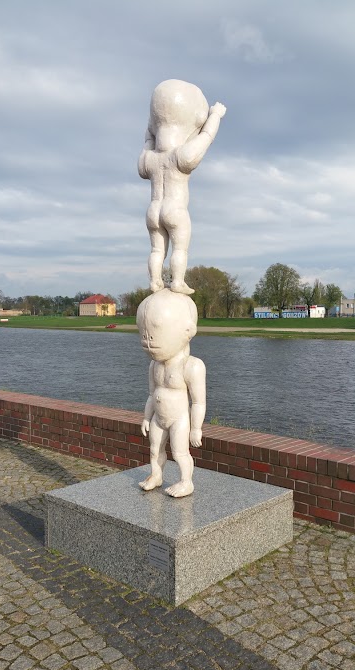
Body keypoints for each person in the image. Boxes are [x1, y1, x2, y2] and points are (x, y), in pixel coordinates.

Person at [138, 79, 226, 295]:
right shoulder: (181, 155)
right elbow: (206, 136)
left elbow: (147, 143)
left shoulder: (149, 159)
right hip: (175, 209)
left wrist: (151, 129)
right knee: (180, 248)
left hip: (153, 210)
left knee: (157, 250)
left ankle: (155, 282)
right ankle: (177, 281)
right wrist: (215, 116)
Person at [136, 288, 206, 497]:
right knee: (154, 449)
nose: (148, 339)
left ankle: (186, 481)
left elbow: (198, 402)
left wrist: (196, 428)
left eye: (156, 331)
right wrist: (146, 417)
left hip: (179, 419)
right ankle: (156, 475)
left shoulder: (191, 366)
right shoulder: (154, 365)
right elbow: (152, 394)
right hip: (158, 418)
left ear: (188, 330)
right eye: (144, 332)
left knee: (180, 452)